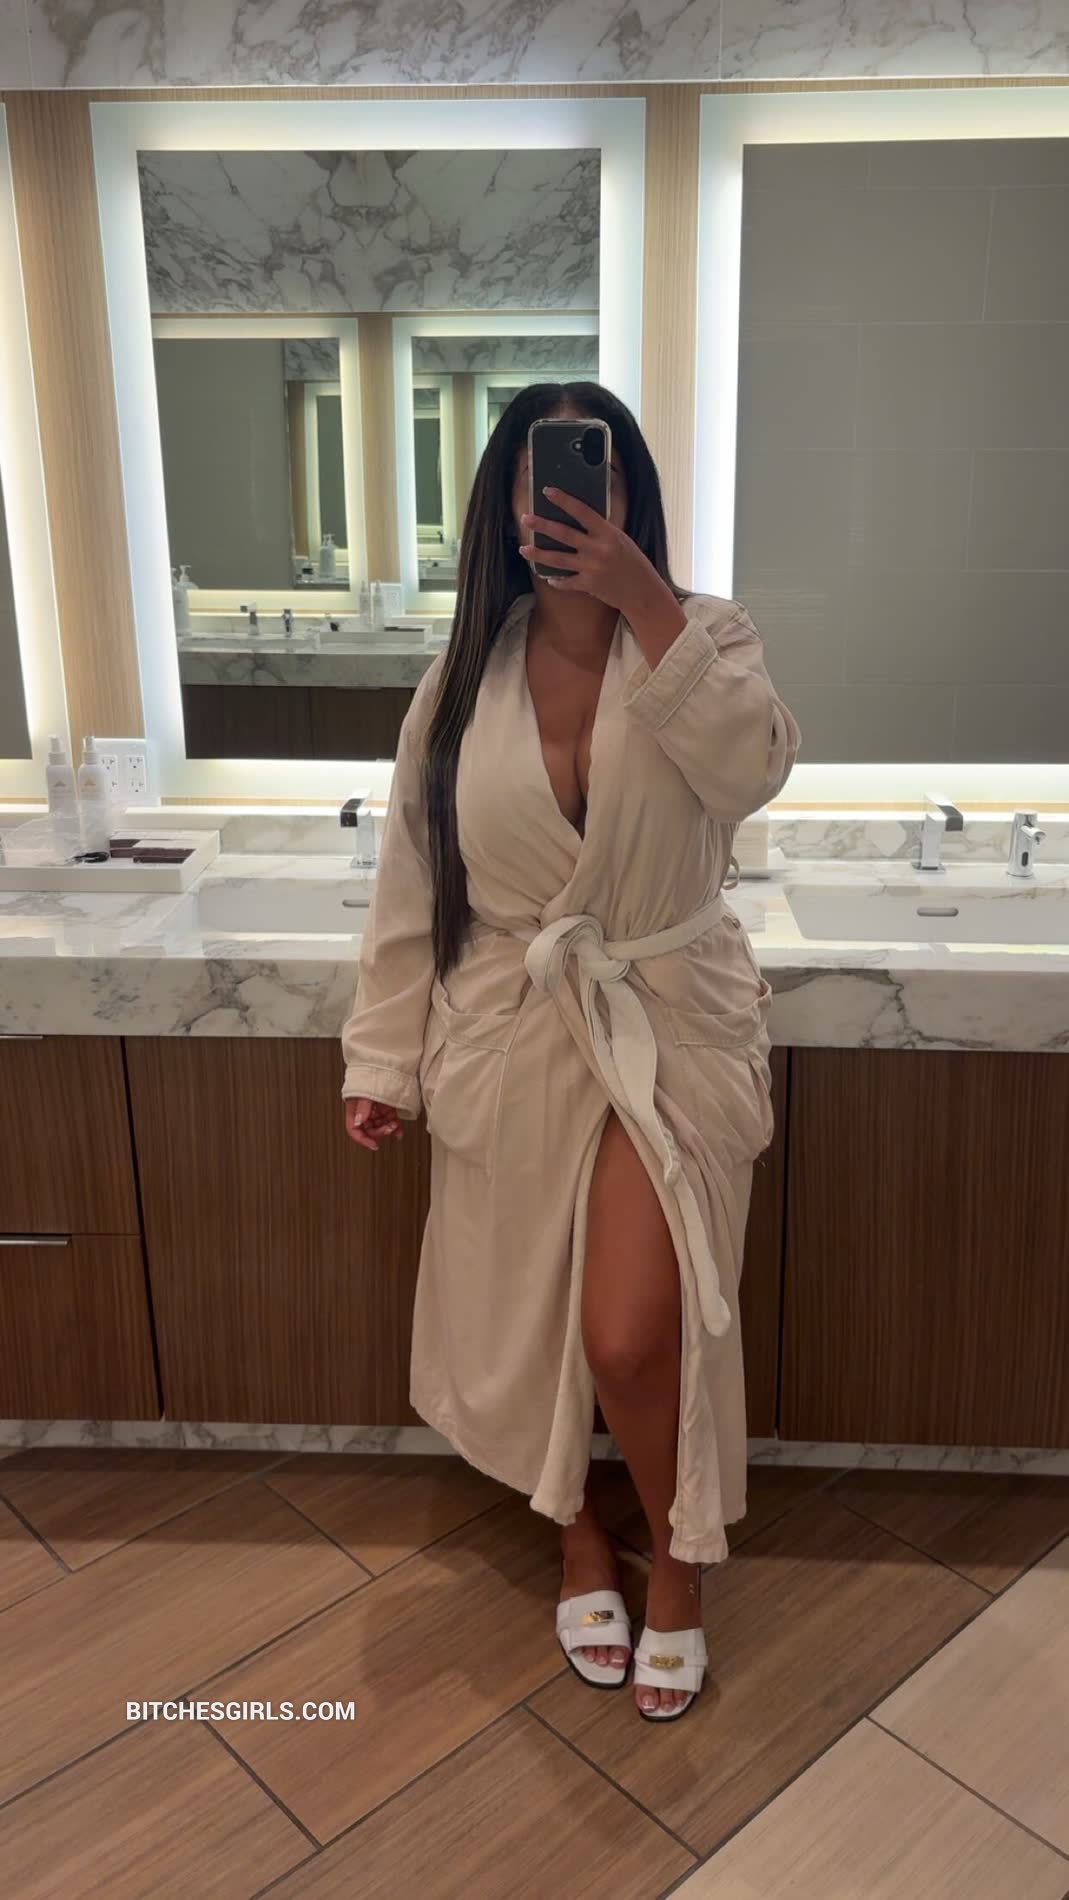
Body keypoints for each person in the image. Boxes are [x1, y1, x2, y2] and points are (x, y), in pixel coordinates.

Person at [341, 381, 800, 1720]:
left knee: (630, 1334)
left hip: (667, 1019)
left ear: (627, 495)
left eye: (591, 481)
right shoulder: (458, 683)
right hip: (513, 1030)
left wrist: (644, 600)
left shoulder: (704, 637)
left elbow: (756, 769)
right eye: (540, 486)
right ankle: (581, 1538)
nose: (564, 506)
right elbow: (413, 883)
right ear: (504, 506)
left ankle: (683, 1563)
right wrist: (383, 1062)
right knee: (536, 1320)